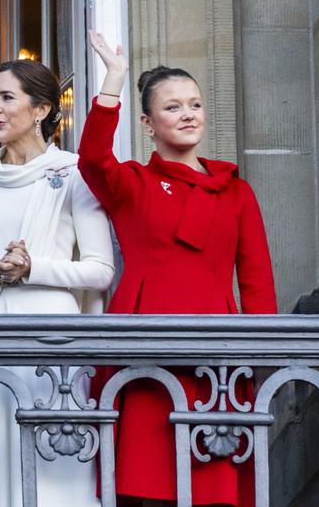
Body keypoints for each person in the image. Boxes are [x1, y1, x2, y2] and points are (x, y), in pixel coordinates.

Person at [79, 31, 278, 506]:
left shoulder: (236, 191)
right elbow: (91, 158)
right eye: (172, 107)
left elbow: (256, 280)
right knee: (146, 485)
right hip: (145, 351)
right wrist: (115, 80)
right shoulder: (133, 183)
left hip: (216, 355)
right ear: (147, 123)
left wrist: (263, 359)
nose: (188, 114)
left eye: (195, 104)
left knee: (214, 485)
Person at [0, 59, 113, 507]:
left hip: (56, 341)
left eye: (7, 97)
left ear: (41, 109)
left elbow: (100, 270)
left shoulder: (73, 172)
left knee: (54, 475)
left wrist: (34, 269)